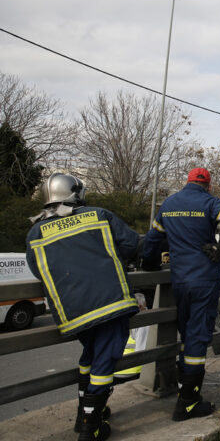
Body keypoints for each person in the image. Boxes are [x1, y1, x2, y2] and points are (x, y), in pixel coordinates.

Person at [26, 173, 140, 440]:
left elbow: (38, 269)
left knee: (90, 357)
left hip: (72, 313)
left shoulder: (35, 231)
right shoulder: (98, 215)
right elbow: (131, 244)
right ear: (75, 193)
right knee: (104, 361)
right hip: (109, 303)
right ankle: (91, 429)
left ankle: (85, 414)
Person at [142, 167, 220, 421]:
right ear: (208, 185)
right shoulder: (209, 202)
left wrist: (150, 267)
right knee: (197, 339)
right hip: (204, 280)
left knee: (187, 334)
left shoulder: (170, 204)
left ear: (187, 182)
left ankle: (182, 388)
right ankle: (187, 402)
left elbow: (153, 239)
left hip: (180, 281)